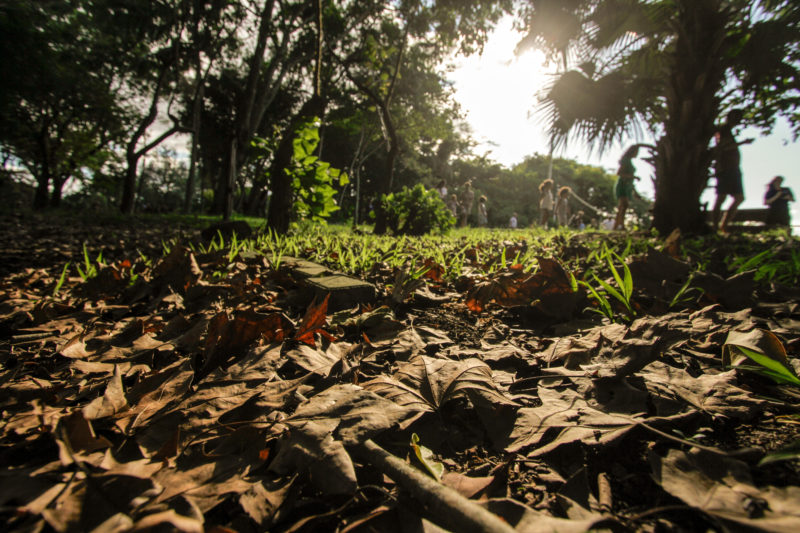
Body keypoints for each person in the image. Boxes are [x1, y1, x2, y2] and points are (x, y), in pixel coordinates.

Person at [712, 109, 753, 233]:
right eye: (737, 118)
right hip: (725, 168)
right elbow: (722, 147)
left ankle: (723, 226)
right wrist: (743, 142)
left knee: (739, 197)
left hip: (733, 168)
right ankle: (716, 227)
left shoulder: (728, 131)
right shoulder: (723, 130)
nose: (738, 121)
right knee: (721, 197)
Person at [613, 145, 640, 230]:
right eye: (636, 151)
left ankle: (618, 226)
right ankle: (620, 226)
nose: (637, 153)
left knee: (624, 206)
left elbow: (630, 180)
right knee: (623, 205)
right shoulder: (626, 161)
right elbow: (619, 173)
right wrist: (633, 177)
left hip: (627, 187)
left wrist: (635, 192)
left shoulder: (629, 161)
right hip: (622, 186)